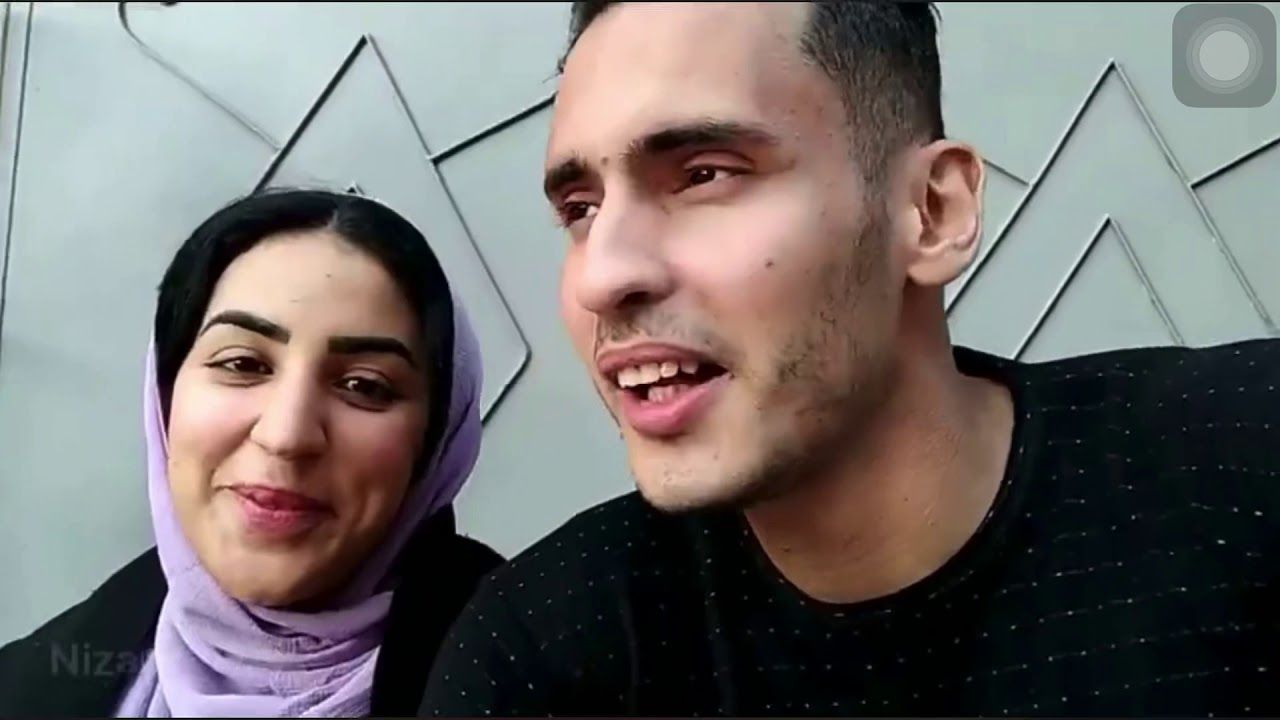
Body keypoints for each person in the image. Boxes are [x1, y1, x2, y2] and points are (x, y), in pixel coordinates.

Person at [419, 1, 1280, 717]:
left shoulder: (1246, 464)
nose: (603, 276)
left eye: (705, 174)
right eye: (580, 208)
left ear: (932, 211)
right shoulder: (547, 653)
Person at [0, 188, 504, 717]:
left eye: (364, 386)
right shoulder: (31, 687)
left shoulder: (529, 677)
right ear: (164, 396)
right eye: (242, 364)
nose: (286, 435)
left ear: (437, 442)